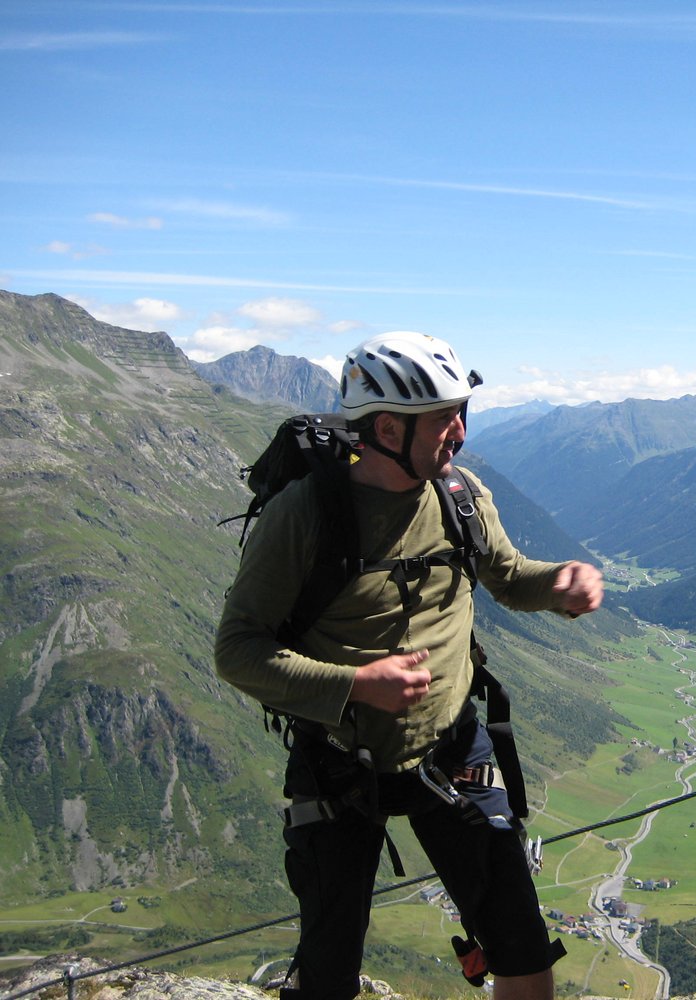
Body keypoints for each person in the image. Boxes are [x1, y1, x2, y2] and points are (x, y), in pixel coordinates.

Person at [215, 331, 603, 1000]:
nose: (460, 431)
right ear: (388, 428)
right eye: (444, 418)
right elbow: (237, 649)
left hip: (452, 748)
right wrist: (355, 685)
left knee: (521, 947)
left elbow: (510, 577)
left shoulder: (459, 495)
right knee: (326, 974)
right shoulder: (303, 515)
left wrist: (561, 583)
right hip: (339, 763)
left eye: (462, 412)